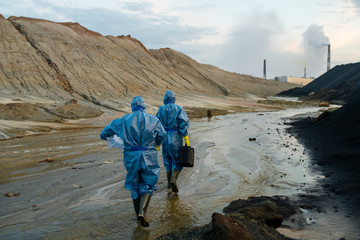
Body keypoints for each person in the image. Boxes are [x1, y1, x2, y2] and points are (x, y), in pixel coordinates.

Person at [100, 96, 167, 227]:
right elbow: (163, 135)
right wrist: (156, 144)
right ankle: (142, 212)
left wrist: (116, 140)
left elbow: (104, 133)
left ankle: (138, 216)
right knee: (148, 183)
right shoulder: (154, 120)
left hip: (131, 155)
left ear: (132, 107)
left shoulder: (124, 120)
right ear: (144, 106)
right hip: (149, 154)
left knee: (134, 185)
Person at [156, 90, 190, 193]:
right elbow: (183, 123)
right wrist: (186, 138)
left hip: (164, 138)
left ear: (165, 98)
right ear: (174, 98)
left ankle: (168, 185)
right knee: (178, 160)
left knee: (167, 161)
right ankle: (173, 180)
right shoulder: (178, 109)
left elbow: (156, 125)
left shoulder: (160, 109)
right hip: (175, 137)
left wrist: (158, 142)